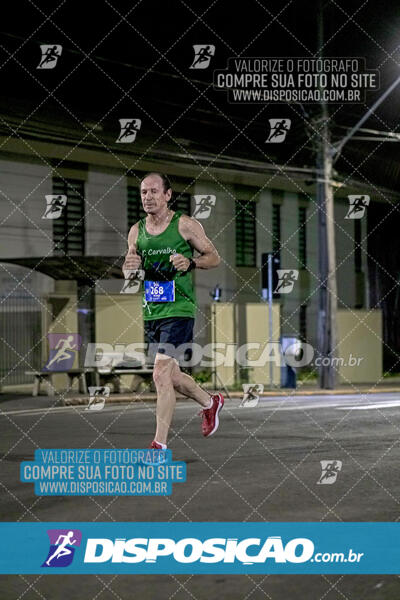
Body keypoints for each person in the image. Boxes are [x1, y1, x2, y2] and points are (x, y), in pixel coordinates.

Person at [123, 172, 224, 451]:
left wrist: (190, 263)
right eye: (144, 192)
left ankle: (159, 445)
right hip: (152, 312)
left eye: (154, 191)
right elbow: (129, 270)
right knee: (173, 377)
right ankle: (209, 402)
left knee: (159, 375)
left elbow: (214, 257)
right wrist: (128, 268)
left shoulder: (185, 225)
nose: (148, 197)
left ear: (168, 195)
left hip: (179, 309)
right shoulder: (136, 231)